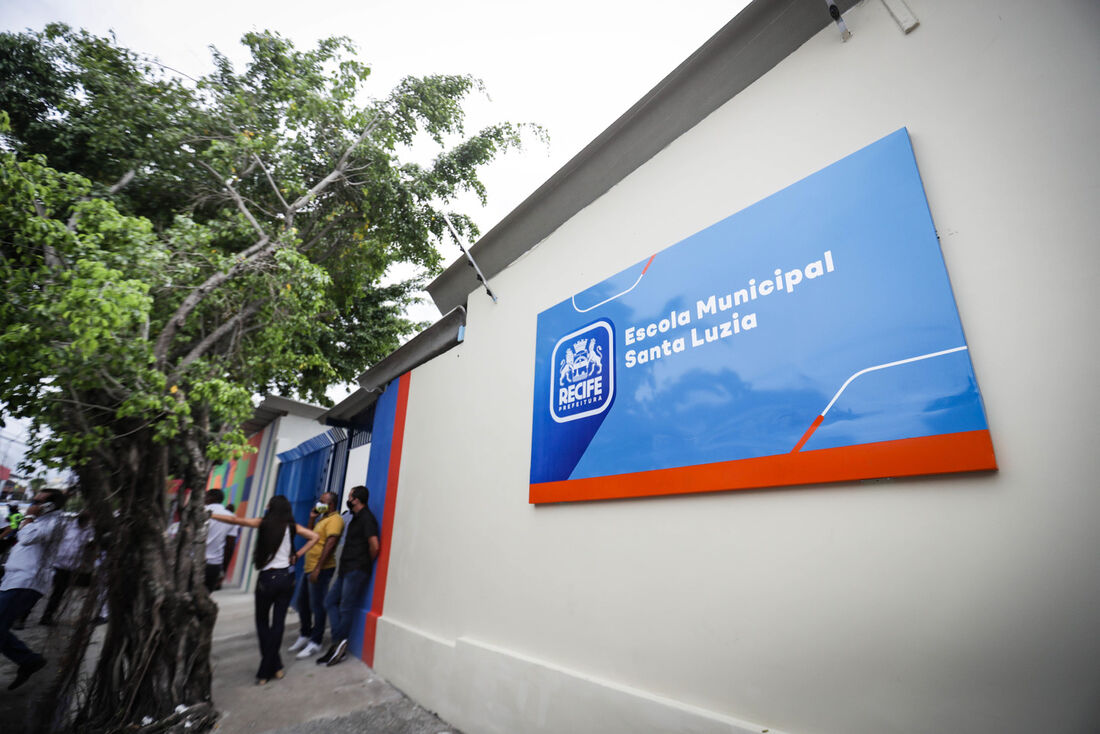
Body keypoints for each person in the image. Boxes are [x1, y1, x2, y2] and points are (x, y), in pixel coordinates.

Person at [212, 496, 318, 684]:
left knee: (262, 622)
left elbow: (236, 521)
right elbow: (315, 537)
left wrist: (211, 515)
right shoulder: (292, 526)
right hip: (287, 578)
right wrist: (298, 555)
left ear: (271, 507)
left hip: (267, 579)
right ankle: (275, 666)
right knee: (278, 624)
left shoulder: (263, 523)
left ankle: (264, 671)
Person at [0, 489, 66, 690]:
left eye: (38, 501)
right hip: (12, 578)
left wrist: (29, 515)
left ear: (51, 505)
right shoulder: (38, 521)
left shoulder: (56, 523)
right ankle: (28, 660)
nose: (33, 504)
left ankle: (29, 659)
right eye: (33, 500)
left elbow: (27, 538)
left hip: (27, 581)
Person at [317, 485, 379, 667]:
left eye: (351, 496)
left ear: (356, 500)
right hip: (346, 569)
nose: (349, 499)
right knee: (330, 601)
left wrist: (364, 563)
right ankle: (339, 641)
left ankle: (338, 644)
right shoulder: (354, 518)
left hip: (356, 569)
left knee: (345, 607)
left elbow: (375, 545)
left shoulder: (367, 519)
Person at [288, 492, 344, 659]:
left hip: (321, 568)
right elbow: (310, 536)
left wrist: (318, 568)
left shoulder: (335, 520)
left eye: (323, 501)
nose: (319, 503)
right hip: (309, 567)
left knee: (318, 605)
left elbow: (331, 543)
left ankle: (316, 641)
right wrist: (312, 518)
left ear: (331, 504)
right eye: (319, 501)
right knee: (302, 602)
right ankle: (305, 634)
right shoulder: (322, 519)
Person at [39, 509, 94, 626]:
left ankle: (47, 616)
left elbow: (88, 546)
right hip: (56, 564)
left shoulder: (89, 531)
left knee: (58, 593)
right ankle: (23, 615)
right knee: (41, 589)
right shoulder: (67, 527)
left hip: (70, 567)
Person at [203, 489, 231, 592]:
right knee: (206, 595)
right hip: (214, 565)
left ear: (211, 497)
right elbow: (229, 546)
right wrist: (223, 570)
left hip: (193, 561)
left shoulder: (198, 512)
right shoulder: (230, 517)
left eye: (205, 496)